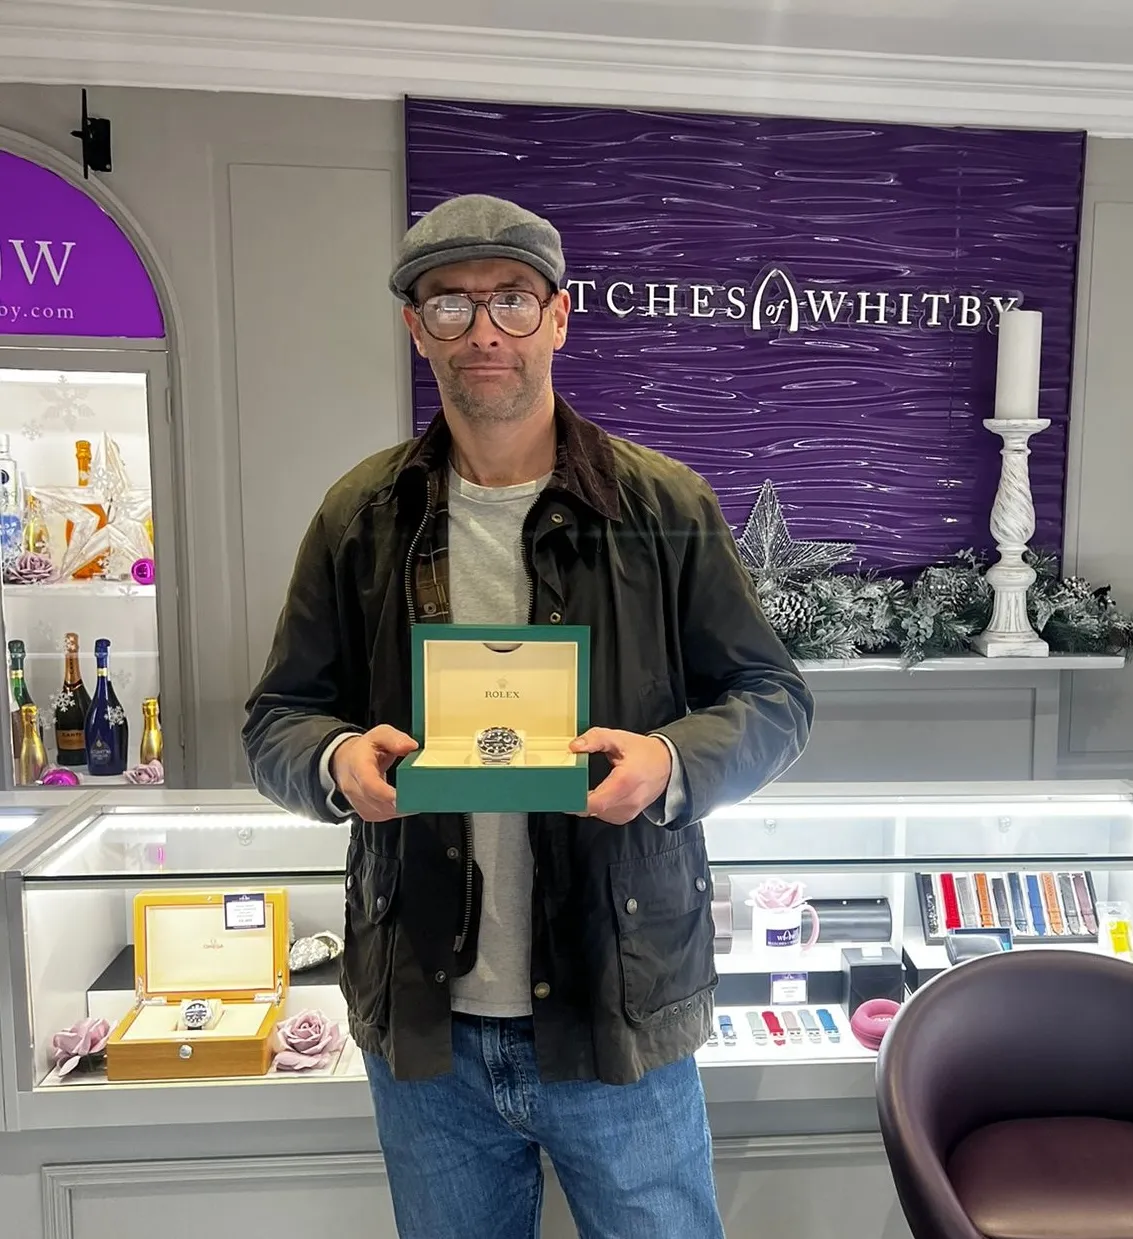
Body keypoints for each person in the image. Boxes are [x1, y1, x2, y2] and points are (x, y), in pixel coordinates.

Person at [242, 193, 814, 1239]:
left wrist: (668, 763)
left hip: (617, 1011)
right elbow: (278, 716)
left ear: (558, 316)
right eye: (449, 304)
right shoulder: (361, 516)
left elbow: (774, 699)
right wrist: (334, 761)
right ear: (415, 327)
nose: (483, 329)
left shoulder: (663, 508)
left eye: (510, 298)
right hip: (427, 1031)